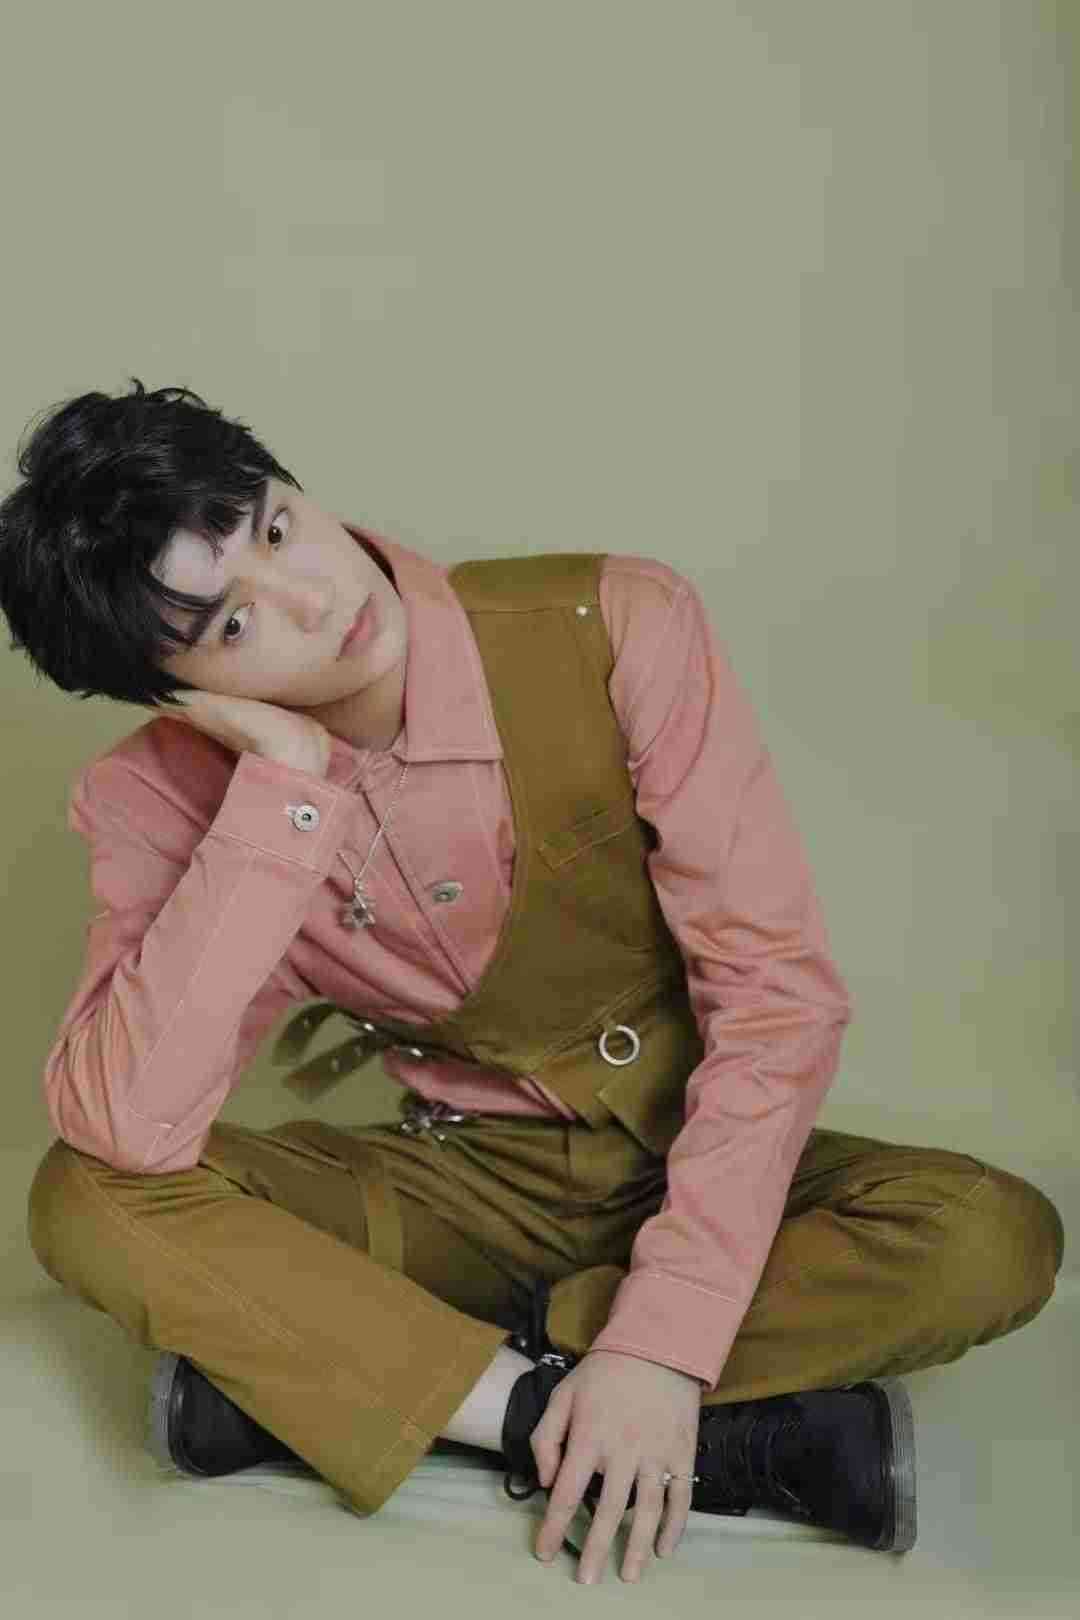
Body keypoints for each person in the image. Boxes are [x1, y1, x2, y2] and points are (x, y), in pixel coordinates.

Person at [2, 379, 1064, 1587]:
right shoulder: (154, 796)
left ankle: (390, 1388)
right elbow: (127, 1127)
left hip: (697, 1157)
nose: (313, 600)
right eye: (234, 627)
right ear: (177, 691)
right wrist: (285, 791)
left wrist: (660, 1348)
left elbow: (777, 997)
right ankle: (569, 1421)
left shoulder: (612, 623)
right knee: (81, 1197)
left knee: (992, 1237)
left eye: (278, 529)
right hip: (460, 1187)